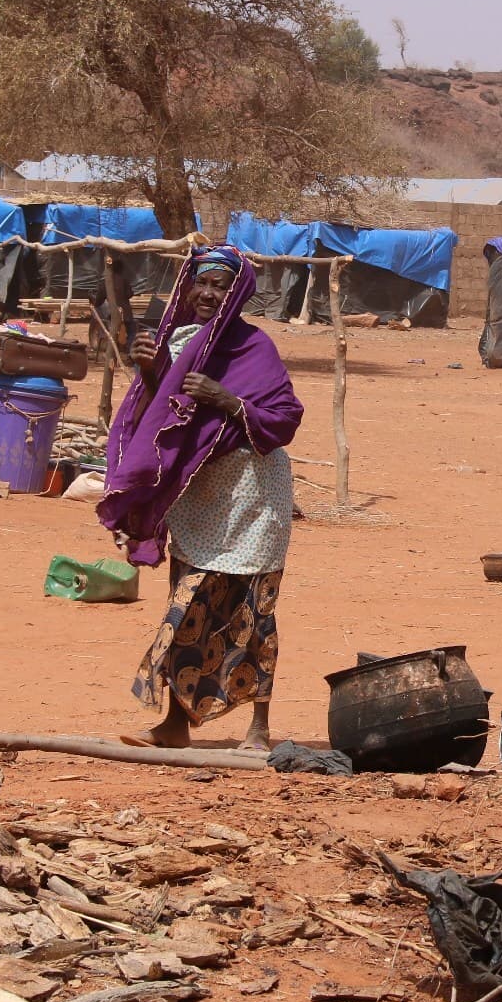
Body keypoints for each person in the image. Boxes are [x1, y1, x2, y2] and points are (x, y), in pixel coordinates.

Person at [99, 245, 303, 752]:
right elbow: (161, 419)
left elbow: (284, 419)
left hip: (253, 497)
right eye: (202, 283)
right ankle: (175, 723)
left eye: (221, 286)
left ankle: (257, 729)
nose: (209, 294)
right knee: (187, 602)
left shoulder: (255, 348)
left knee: (254, 608)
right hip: (198, 493)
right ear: (187, 287)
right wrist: (150, 371)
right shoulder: (177, 339)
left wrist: (226, 399)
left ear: (237, 293)